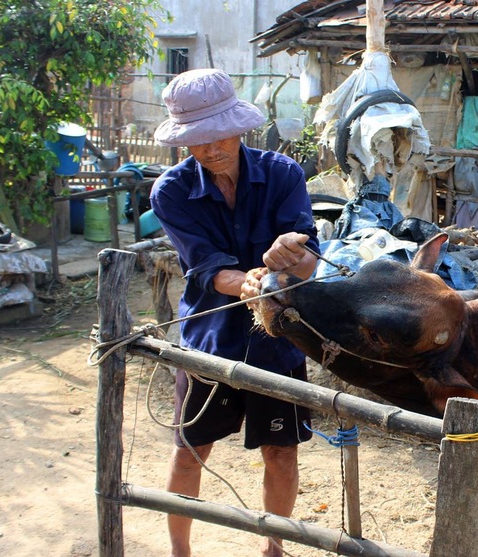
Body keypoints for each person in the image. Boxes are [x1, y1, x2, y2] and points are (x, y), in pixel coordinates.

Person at [150, 68, 320, 557]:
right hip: (209, 338)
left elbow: (307, 258)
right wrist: (247, 281)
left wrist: (294, 253)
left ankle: (274, 548)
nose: (210, 149)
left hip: (279, 342)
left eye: (217, 135)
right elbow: (204, 267)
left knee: (281, 453)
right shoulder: (171, 191)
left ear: (239, 126)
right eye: (197, 140)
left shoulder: (283, 174)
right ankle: (180, 552)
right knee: (189, 454)